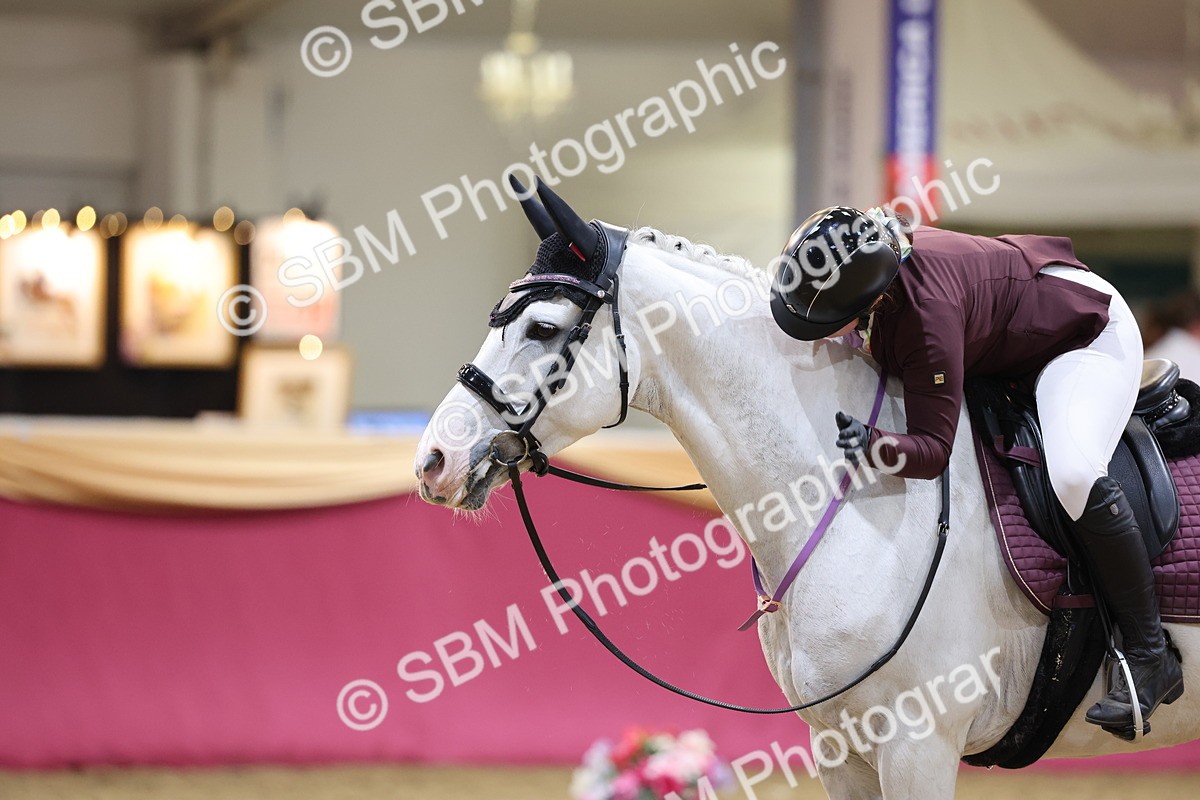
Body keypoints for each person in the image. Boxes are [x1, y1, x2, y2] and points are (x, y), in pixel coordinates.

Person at [769, 206, 1183, 740]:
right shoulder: (873, 263)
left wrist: (876, 446)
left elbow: (933, 451)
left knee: (1075, 473)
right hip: (1018, 317)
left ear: (870, 301)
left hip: (1082, 337)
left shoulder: (924, 317)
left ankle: (1152, 654)